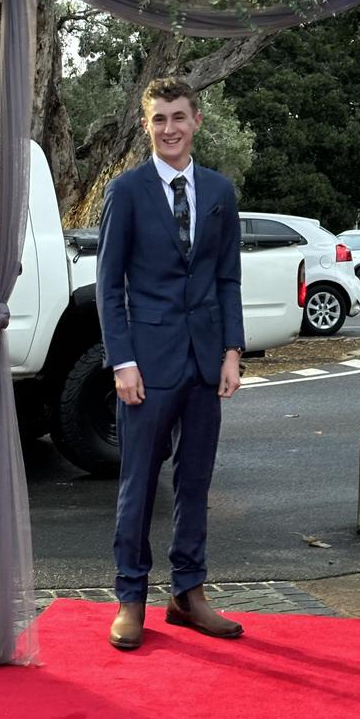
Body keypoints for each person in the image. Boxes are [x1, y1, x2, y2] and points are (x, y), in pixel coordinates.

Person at [96, 77, 245, 650]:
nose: (169, 128)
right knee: (137, 483)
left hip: (206, 360)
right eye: (159, 119)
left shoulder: (218, 192)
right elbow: (110, 288)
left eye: (178, 117)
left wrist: (232, 351)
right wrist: (122, 362)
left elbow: (227, 277)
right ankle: (130, 596)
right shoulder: (126, 191)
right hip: (146, 365)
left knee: (196, 479)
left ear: (197, 121)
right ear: (146, 126)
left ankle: (188, 592)